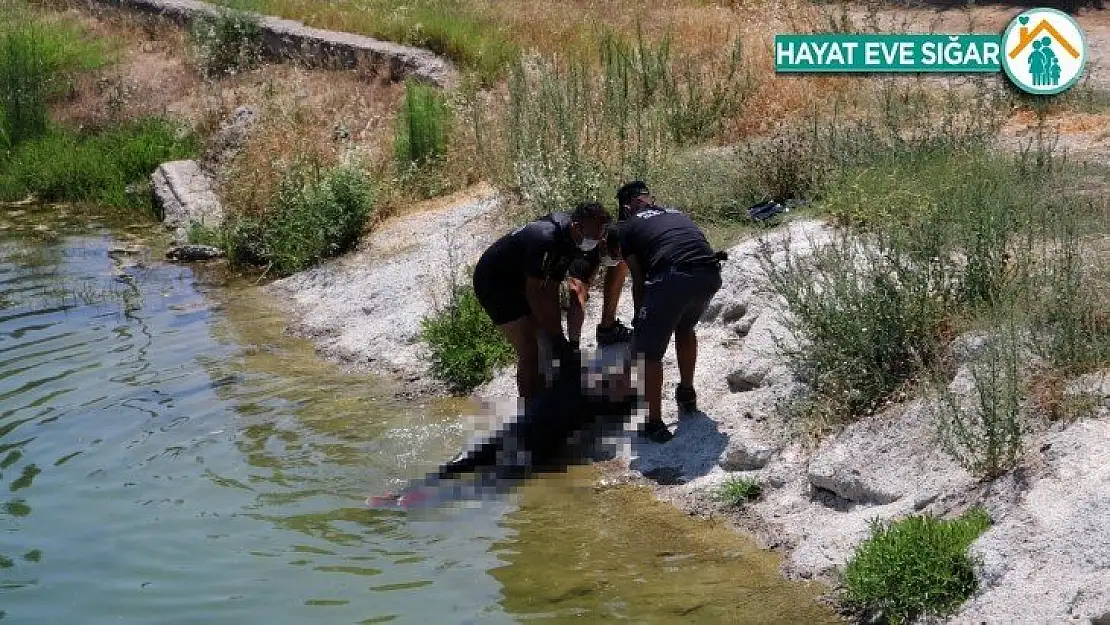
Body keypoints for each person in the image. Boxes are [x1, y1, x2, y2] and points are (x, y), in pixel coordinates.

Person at [606, 181, 724, 443]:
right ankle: (687, 394)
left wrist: (641, 319)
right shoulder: (674, 212)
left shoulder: (628, 226)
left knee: (650, 354)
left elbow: (638, 280)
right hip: (710, 273)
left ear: (626, 207)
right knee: (685, 328)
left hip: (674, 276)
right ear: (649, 199)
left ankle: (654, 423)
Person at [472, 202, 612, 403]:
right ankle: (528, 411)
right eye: (593, 237)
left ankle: (544, 399)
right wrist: (556, 337)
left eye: (600, 236)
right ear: (576, 226)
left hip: (521, 277)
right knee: (529, 347)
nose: (596, 241)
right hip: (494, 281)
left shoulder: (572, 239)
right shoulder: (547, 238)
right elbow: (535, 294)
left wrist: (558, 336)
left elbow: (551, 287)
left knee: (544, 337)